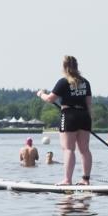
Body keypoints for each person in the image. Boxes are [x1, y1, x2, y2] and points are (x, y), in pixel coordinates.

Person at [36, 55, 92, 186]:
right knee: (84, 150)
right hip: (84, 115)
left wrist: (40, 94)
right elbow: (89, 103)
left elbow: (50, 99)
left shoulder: (64, 81)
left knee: (68, 149)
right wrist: (89, 121)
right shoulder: (85, 82)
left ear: (65, 67)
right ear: (77, 66)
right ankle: (86, 179)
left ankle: (67, 180)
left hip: (69, 116)